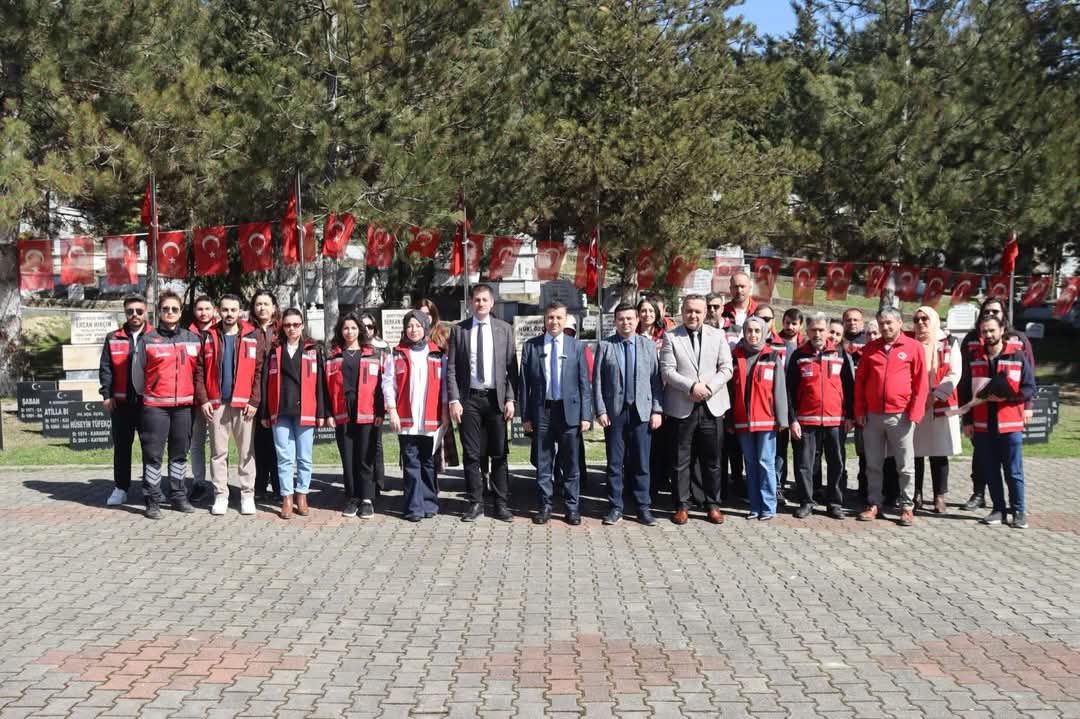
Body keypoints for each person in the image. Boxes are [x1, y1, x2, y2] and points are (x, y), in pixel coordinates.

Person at [447, 284, 518, 522]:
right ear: (470, 303)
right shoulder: (459, 330)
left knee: (499, 453)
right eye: (476, 300)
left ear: (492, 302)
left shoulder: (504, 329)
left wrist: (510, 398)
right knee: (471, 454)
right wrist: (454, 399)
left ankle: (501, 504)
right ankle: (475, 503)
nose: (480, 304)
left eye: (484, 300)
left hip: (495, 399)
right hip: (469, 400)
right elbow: (451, 369)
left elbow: (512, 369)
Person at [661, 294, 733, 525]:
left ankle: (713, 504)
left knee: (713, 459)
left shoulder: (718, 335)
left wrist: (708, 389)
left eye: (697, 311)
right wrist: (692, 387)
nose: (693, 315)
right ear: (682, 312)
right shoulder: (671, 336)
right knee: (680, 459)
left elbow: (727, 368)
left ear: (705, 313)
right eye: (689, 311)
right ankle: (682, 505)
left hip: (712, 406)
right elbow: (667, 370)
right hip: (682, 405)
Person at [854, 308, 929, 526]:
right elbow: (860, 382)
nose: (885, 327)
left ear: (899, 322)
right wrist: (859, 411)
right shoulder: (870, 348)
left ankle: (906, 506)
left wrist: (915, 412)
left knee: (905, 465)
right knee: (873, 464)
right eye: (881, 323)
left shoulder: (913, 347)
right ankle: (874, 503)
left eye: (889, 323)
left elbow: (921, 383)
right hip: (873, 416)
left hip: (901, 415)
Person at [959, 297, 1036, 511]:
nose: (988, 333)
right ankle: (986, 500)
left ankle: (1017, 510)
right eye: (987, 312)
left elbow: (1029, 381)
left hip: (1009, 418)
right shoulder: (972, 346)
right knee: (985, 463)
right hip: (982, 418)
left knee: (1012, 468)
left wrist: (1025, 405)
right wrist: (967, 418)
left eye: (995, 312)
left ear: (1002, 324)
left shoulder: (1018, 345)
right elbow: (965, 384)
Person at [520, 303, 592, 524]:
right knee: (544, 463)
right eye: (550, 317)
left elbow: (584, 385)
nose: (554, 322)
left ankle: (572, 508)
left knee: (571, 463)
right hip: (542, 412)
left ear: (565, 320)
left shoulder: (576, 347)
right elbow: (524, 385)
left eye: (559, 318)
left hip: (569, 412)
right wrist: (525, 416)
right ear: (544, 319)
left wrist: (586, 416)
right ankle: (545, 506)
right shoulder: (531, 347)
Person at [593, 303, 663, 526]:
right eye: (621, 319)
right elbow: (597, 382)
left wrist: (657, 410)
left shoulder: (648, 346)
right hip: (614, 413)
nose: (626, 323)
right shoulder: (605, 346)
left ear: (637, 320)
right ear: (615, 321)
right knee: (615, 463)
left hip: (642, 413)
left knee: (642, 463)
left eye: (630, 319)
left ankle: (643, 507)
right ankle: (615, 507)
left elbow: (656, 381)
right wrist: (600, 410)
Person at [194, 294, 263, 516]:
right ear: (218, 311)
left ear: (240, 311)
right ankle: (220, 495)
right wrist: (204, 399)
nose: (229, 314)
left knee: (246, 452)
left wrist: (254, 400)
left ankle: (247, 495)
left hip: (244, 404)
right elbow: (199, 370)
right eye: (225, 310)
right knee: (218, 452)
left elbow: (259, 371)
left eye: (233, 310)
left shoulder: (252, 335)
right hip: (217, 404)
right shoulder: (209, 335)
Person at [138, 291, 201, 519]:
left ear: (181, 312)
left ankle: (178, 495)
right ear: (159, 311)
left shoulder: (192, 339)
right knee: (153, 455)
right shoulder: (148, 340)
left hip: (184, 406)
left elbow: (199, 372)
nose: (170, 313)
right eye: (166, 309)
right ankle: (153, 499)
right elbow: (137, 375)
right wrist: (151, 392)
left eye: (174, 309)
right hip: (155, 406)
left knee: (179, 454)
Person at [383, 310, 449, 522]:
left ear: (425, 328)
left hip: (430, 418)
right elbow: (388, 384)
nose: (413, 330)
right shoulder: (396, 354)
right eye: (409, 326)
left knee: (428, 462)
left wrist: (445, 412)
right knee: (411, 462)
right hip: (406, 419)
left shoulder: (438, 354)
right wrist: (392, 410)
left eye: (417, 326)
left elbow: (445, 387)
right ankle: (414, 507)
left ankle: (429, 503)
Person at [260, 308, 326, 520]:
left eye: (296, 324)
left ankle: (302, 495)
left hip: (305, 410)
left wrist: (321, 412)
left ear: (302, 325)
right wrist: (265, 412)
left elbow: (320, 383)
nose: (292, 329)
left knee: (304, 457)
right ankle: (287, 497)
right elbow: (265, 382)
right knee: (284, 457)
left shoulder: (313, 350)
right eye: (287, 325)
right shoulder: (275, 350)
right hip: (280, 410)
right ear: (282, 327)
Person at [787, 313, 853, 520]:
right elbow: (789, 391)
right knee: (804, 464)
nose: (818, 334)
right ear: (807, 331)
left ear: (827, 331)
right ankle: (806, 502)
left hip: (835, 420)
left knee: (836, 463)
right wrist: (792, 420)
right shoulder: (798, 356)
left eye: (821, 330)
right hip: (806, 420)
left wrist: (850, 416)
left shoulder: (840, 354)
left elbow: (849, 387)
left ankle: (835, 503)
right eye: (813, 330)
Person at [729, 316, 789, 520]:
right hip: (742, 420)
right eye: (749, 330)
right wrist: (729, 420)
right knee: (750, 463)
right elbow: (730, 391)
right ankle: (755, 506)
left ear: (763, 332)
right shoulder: (735, 356)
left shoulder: (772, 356)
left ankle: (769, 507)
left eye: (757, 330)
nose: (753, 335)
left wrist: (782, 419)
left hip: (766, 420)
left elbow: (780, 389)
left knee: (765, 462)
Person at [324, 313, 381, 519]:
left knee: (365, 456)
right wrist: (328, 413)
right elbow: (325, 387)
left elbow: (381, 386)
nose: (349, 332)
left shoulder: (373, 354)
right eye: (346, 328)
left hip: (367, 408)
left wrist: (380, 411)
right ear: (340, 331)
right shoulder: (332, 356)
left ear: (360, 330)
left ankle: (367, 499)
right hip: (342, 408)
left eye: (354, 328)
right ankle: (352, 497)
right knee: (348, 457)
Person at [99, 294, 150, 506]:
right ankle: (121, 488)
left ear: (146, 311)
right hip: (121, 404)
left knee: (151, 448)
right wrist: (107, 395)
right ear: (125, 312)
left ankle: (151, 489)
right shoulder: (113, 338)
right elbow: (106, 368)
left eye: (139, 311)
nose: (134, 315)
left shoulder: (155, 336)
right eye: (130, 311)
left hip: (149, 404)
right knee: (121, 447)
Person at [910, 306, 961, 513]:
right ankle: (916, 494)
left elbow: (954, 372)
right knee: (915, 453)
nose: (921, 323)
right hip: (916, 403)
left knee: (939, 452)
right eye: (916, 319)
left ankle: (939, 496)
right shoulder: (910, 342)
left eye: (925, 319)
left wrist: (936, 394)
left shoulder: (948, 342)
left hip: (940, 403)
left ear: (933, 320)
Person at [417, 299, 459, 474]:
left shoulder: (443, 336)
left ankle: (433, 481)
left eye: (428, 314)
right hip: (417, 396)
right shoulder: (410, 335)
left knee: (435, 445)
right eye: (421, 313)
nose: (425, 317)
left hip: (438, 396)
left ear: (434, 316)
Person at [249, 290, 280, 501]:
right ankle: (259, 485)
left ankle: (279, 487)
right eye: (258, 304)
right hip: (254, 393)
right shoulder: (247, 331)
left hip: (277, 392)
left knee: (278, 443)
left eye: (266, 304)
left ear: (274, 307)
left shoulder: (282, 330)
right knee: (258, 443)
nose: (262, 308)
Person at [186, 295, 216, 502]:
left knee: (218, 444)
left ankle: (220, 482)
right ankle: (198, 482)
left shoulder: (221, 332)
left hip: (216, 397)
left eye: (207, 308)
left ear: (214, 311)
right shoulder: (187, 334)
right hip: (194, 398)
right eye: (200, 309)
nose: (203, 313)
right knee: (196, 443)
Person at [358, 312, 390, 495]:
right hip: (361, 401)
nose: (367, 330)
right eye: (363, 327)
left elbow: (388, 375)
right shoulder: (356, 347)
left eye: (370, 326)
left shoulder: (383, 347)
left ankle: (379, 481)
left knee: (376, 442)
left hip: (378, 398)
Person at [841, 308, 868, 504]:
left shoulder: (869, 340)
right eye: (848, 320)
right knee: (837, 449)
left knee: (864, 449)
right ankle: (839, 486)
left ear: (862, 322)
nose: (852, 323)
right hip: (841, 403)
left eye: (856, 320)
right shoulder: (837, 340)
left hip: (863, 403)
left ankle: (864, 487)